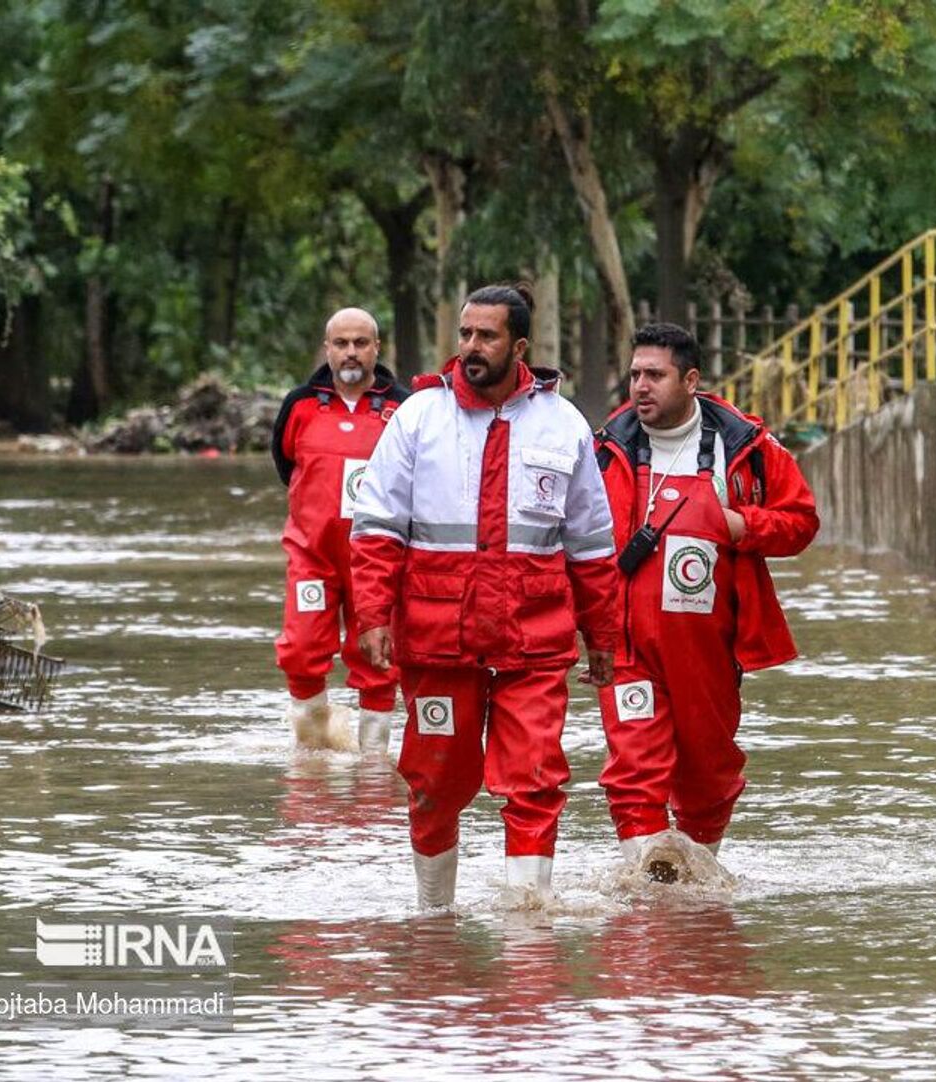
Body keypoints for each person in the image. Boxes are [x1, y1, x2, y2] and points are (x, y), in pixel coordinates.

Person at [348, 284, 621, 910]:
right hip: (438, 638)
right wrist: (371, 616)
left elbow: (591, 546)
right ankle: (433, 919)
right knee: (434, 779)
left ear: (519, 345)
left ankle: (529, 934)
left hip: (534, 638)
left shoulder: (564, 423)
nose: (471, 347)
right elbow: (376, 528)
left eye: (486, 336)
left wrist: (603, 638)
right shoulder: (418, 417)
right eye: (465, 334)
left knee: (534, 779)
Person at [593, 322, 818, 881]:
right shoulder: (605, 448)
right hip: (625, 645)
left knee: (709, 771)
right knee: (633, 767)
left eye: (656, 375)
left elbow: (802, 522)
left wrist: (742, 524)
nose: (640, 386)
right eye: (635, 374)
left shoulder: (746, 447)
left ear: (690, 380)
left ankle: (695, 894)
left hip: (709, 648)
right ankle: (648, 904)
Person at [272, 307, 410, 752]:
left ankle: (373, 766)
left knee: (380, 656)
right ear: (327, 348)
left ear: (377, 348)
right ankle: (311, 753)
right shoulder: (299, 405)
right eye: (341, 344)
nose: (351, 353)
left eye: (361, 343)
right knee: (300, 648)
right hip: (313, 554)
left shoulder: (403, 408)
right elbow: (286, 464)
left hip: (380, 556)